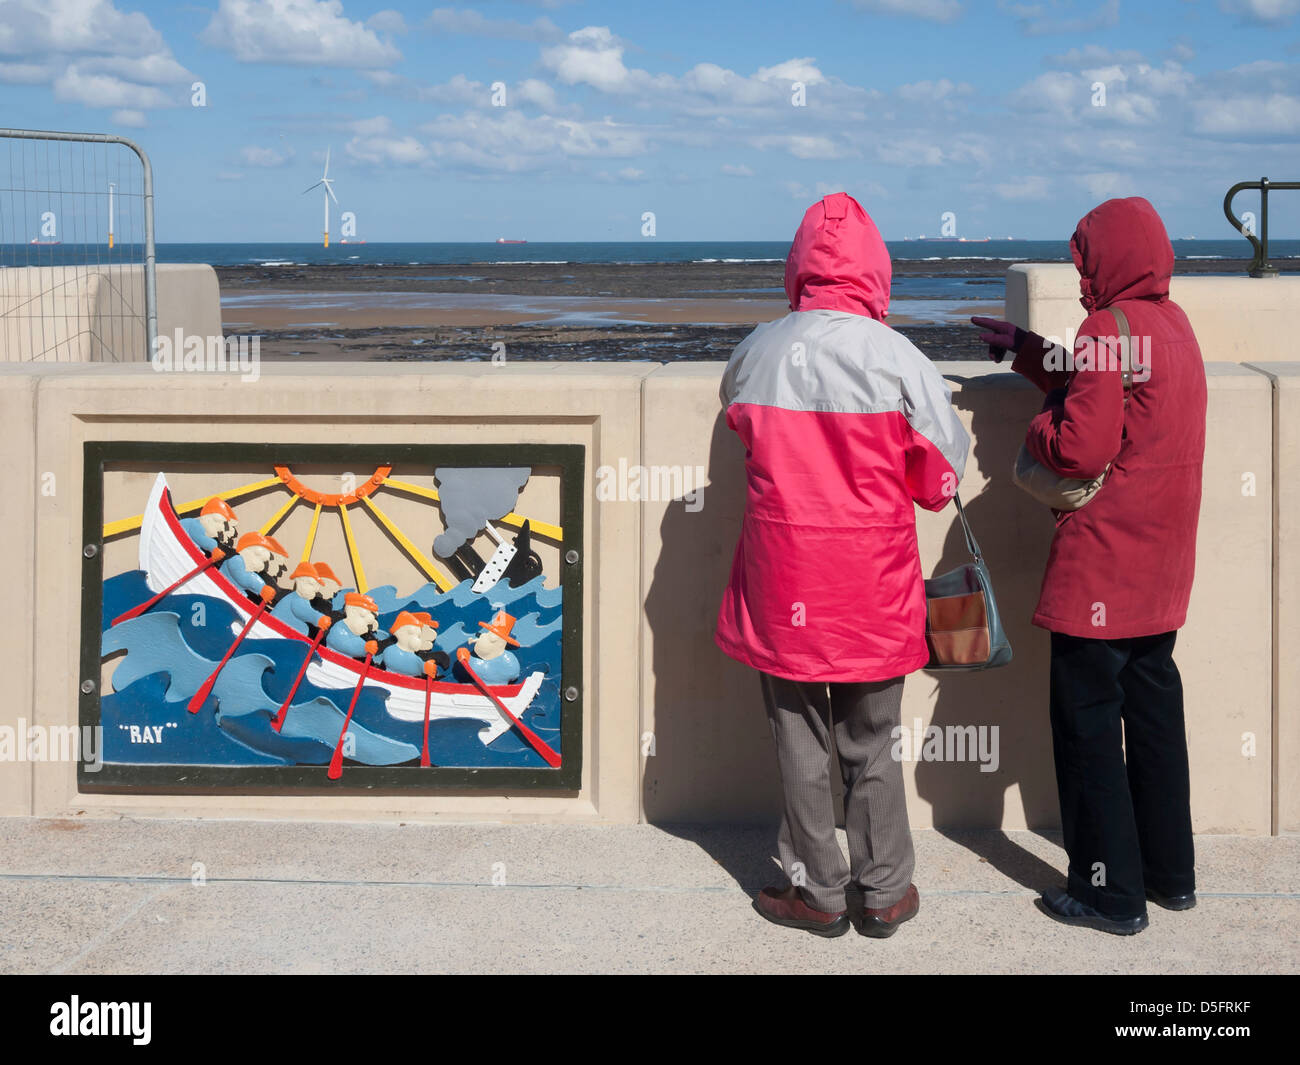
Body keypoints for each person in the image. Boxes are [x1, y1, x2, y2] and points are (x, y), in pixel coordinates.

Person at [714, 192, 970, 939]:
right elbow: (940, 478)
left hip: (783, 577)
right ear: (874, 270)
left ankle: (816, 891)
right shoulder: (898, 360)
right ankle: (885, 889)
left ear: (798, 266)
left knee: (799, 737)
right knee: (873, 736)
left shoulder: (759, 350)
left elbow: (741, 429)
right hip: (870, 582)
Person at [971, 195, 1207, 935]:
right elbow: (1103, 384)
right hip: (1161, 569)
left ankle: (1108, 893)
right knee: (1156, 716)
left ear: (1108, 261)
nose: (1079, 281)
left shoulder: (1108, 325)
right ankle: (1170, 877)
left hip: (1102, 569)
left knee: (1088, 730)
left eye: (1083, 263)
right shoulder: (1170, 325)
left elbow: (1079, 445)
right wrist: (1029, 351)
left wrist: (1038, 426)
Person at [454, 610, 521, 685]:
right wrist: (464, 656)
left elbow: (513, 673)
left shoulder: (508, 659)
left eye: (490, 637)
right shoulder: (474, 661)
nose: (482, 636)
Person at [271, 562, 333, 636]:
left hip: (284, 632)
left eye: (316, 586)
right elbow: (303, 611)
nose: (315, 590)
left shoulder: (301, 599)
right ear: (299, 581)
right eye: (311, 584)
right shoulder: (297, 599)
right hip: (278, 630)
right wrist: (318, 618)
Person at [326, 592, 386, 660]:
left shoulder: (358, 634)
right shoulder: (339, 629)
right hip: (330, 658)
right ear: (352, 612)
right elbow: (344, 644)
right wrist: (365, 647)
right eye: (362, 617)